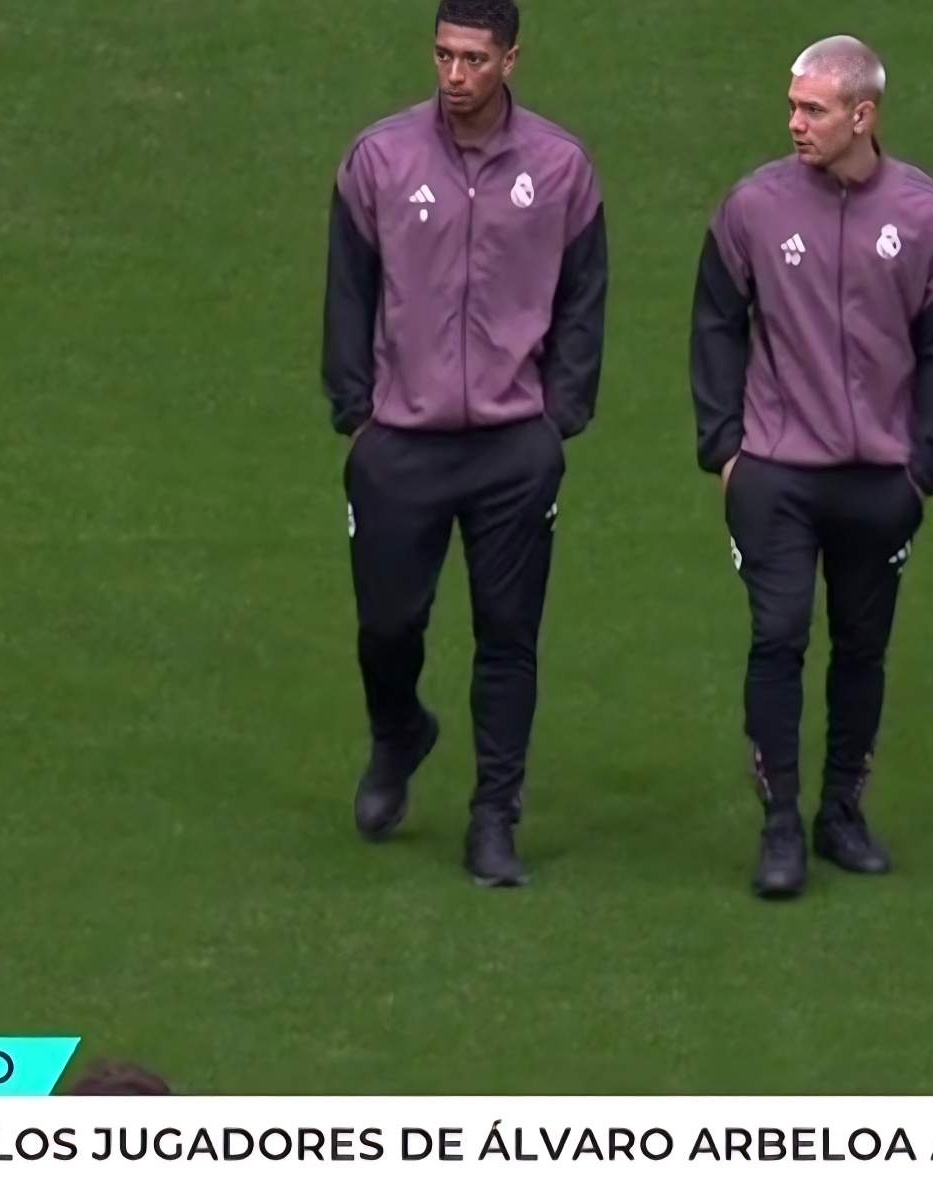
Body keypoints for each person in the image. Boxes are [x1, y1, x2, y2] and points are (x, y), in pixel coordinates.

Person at [321, 0, 607, 886]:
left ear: (511, 59)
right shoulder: (380, 158)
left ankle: (494, 818)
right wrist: (356, 413)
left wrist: (556, 419)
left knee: (508, 635)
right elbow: (349, 289)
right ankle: (399, 728)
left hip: (513, 448)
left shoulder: (560, 168)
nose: (454, 76)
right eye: (444, 55)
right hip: (400, 443)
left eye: (474, 59)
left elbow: (583, 299)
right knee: (387, 625)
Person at [690, 35, 933, 899]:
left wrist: (922, 469)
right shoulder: (754, 208)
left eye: (813, 109)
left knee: (862, 646)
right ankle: (780, 830)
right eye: (793, 106)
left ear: (864, 115)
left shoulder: (926, 219)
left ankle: (842, 813)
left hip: (879, 482)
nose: (795, 123)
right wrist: (725, 451)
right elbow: (715, 323)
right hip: (776, 473)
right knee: (778, 636)